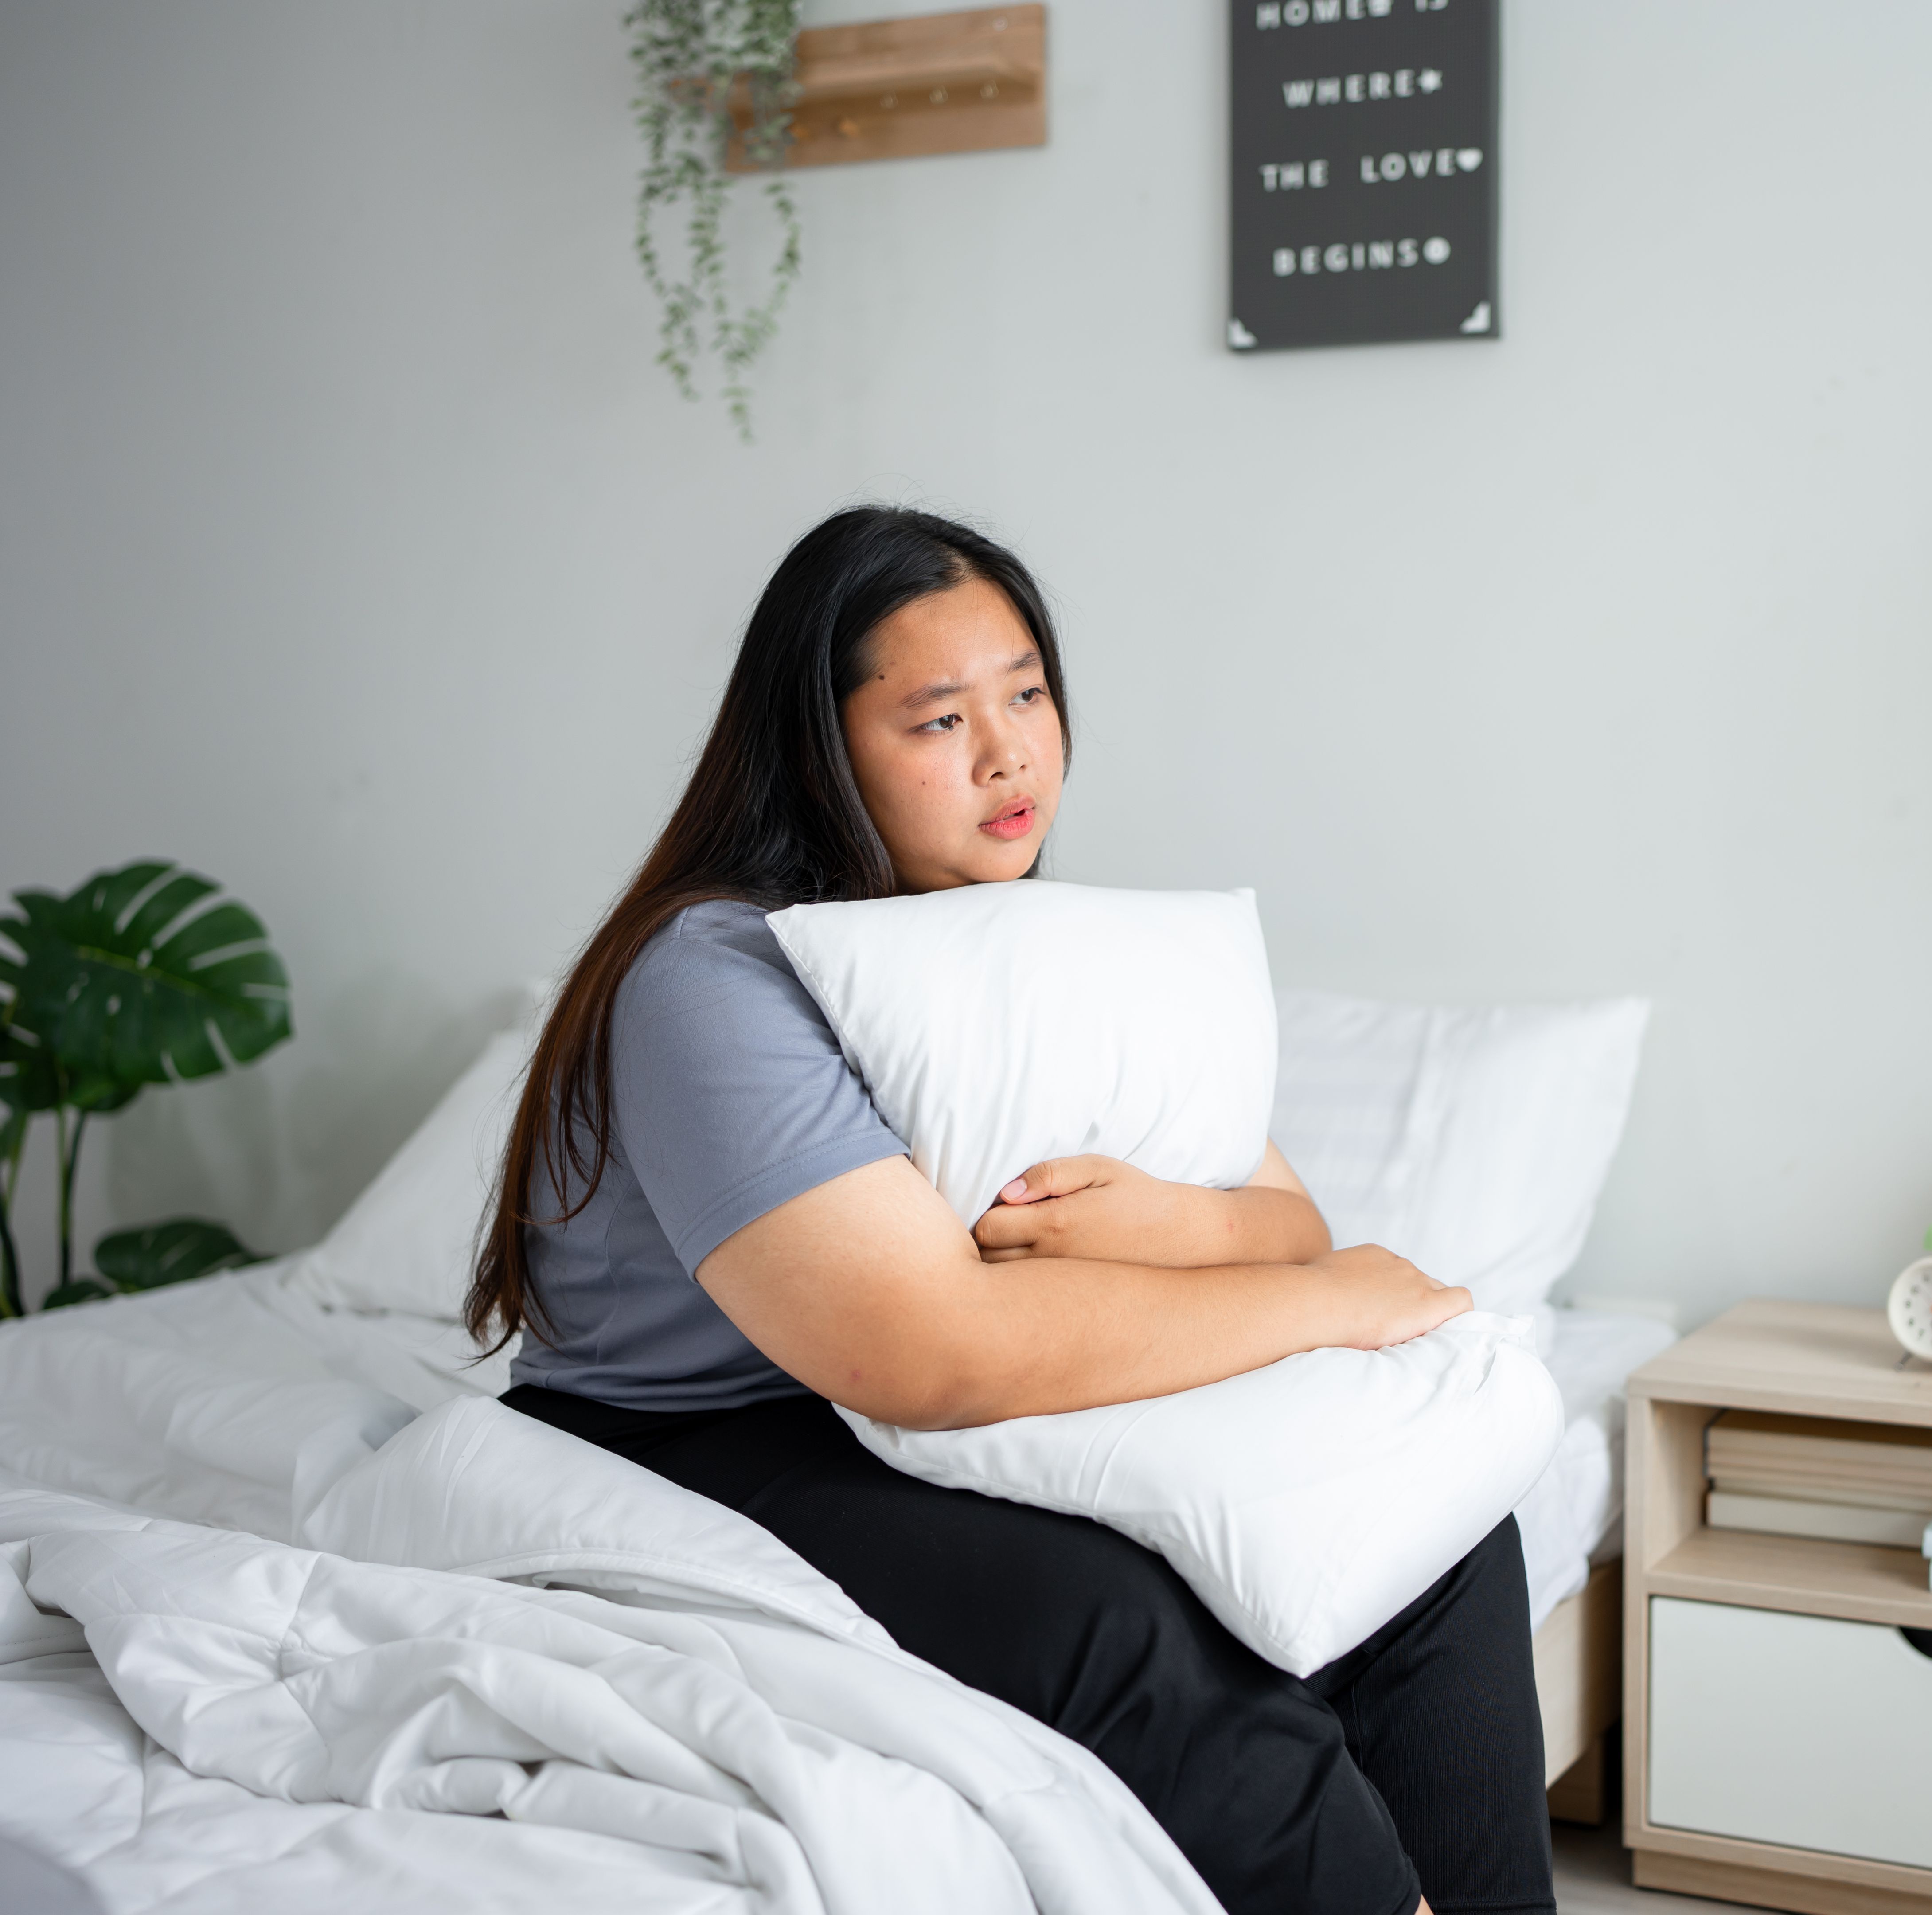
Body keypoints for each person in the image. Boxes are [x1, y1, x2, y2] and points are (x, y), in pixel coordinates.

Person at [467, 506, 1555, 1915]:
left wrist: (1175, 1223)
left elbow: (1284, 1218)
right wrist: (1344, 1301)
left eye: (1028, 693)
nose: (1009, 752)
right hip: (706, 1426)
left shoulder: (1026, 946)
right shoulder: (709, 974)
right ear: (821, 748)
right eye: (937, 720)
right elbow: (931, 1355)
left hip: (962, 1396)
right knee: (1123, 1621)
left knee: (1439, 1521)